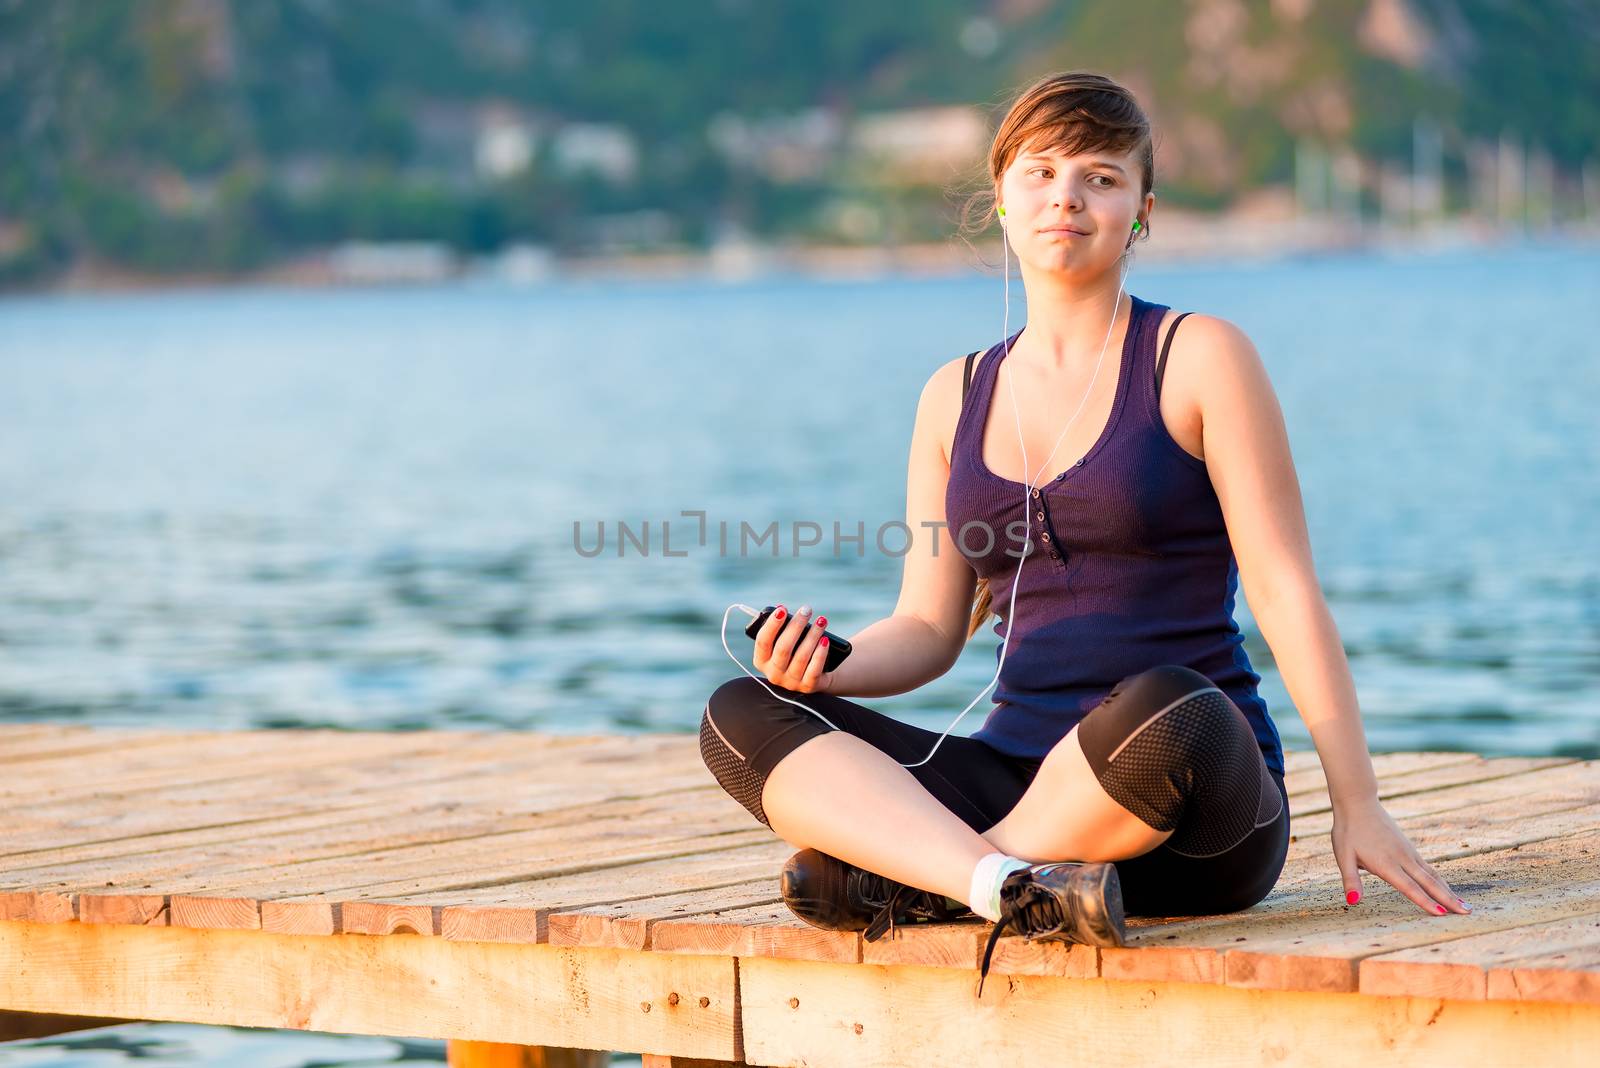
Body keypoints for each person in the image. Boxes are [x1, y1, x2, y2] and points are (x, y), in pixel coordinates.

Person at [698, 71, 1470, 993]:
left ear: (1142, 210)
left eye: (1102, 177)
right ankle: (1002, 884)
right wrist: (824, 663)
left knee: (1169, 704)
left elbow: (1284, 588)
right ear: (1002, 199)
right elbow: (929, 631)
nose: (1067, 194)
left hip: (1190, 799)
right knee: (738, 716)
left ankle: (919, 873)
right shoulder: (954, 395)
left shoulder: (1199, 357)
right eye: (1043, 170)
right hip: (1015, 775)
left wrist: (1360, 800)